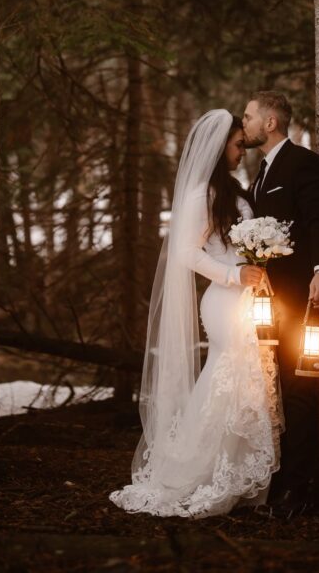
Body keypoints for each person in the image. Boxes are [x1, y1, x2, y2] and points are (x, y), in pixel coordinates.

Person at [110, 109, 283, 518]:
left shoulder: (230, 191)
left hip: (246, 297)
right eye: (239, 145)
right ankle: (209, 474)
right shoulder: (199, 195)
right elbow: (186, 253)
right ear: (220, 144)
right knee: (231, 376)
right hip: (225, 300)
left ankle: (237, 473)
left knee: (247, 382)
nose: (243, 152)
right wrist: (233, 274)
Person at [243, 90, 319, 518]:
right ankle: (280, 480)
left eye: (247, 117)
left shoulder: (304, 162)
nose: (241, 123)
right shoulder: (259, 173)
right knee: (277, 390)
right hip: (269, 303)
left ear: (270, 122)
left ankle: (298, 491)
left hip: (303, 297)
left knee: (301, 388)